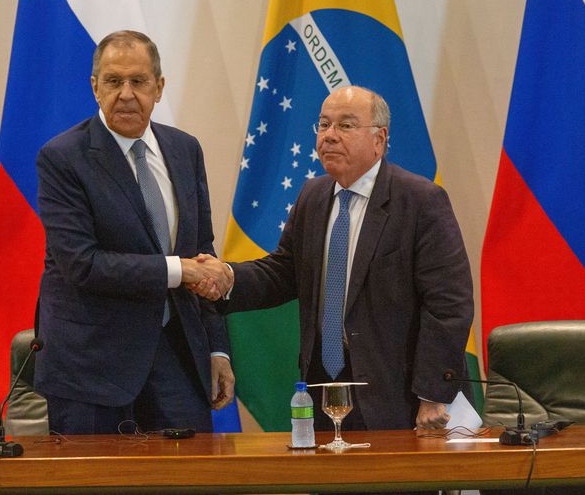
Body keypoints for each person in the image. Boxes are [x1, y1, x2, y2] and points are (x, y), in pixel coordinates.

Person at [193, 85, 473, 432]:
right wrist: (227, 278)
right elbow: (283, 272)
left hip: (400, 396)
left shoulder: (419, 200)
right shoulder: (313, 196)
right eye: (324, 124)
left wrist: (432, 395)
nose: (329, 135)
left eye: (345, 125)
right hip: (325, 389)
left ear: (379, 139)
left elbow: (449, 304)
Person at [34, 30, 234, 435]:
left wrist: (217, 348)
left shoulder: (185, 150)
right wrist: (180, 270)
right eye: (113, 81)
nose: (125, 94)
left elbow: (202, 252)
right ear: (95, 87)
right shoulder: (62, 158)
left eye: (138, 81)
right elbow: (83, 264)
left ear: (159, 88)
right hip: (92, 370)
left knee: (190, 470)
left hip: (178, 360)